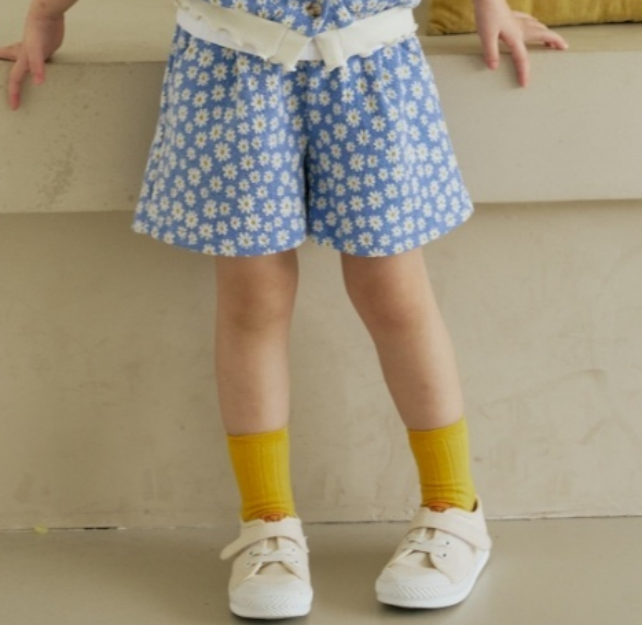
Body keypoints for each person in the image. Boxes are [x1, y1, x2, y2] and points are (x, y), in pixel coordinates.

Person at [1, 0, 568, 619]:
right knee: (254, 296)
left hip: (371, 62)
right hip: (231, 66)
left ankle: (454, 506)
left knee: (393, 291)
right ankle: (267, 523)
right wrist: (47, 13)